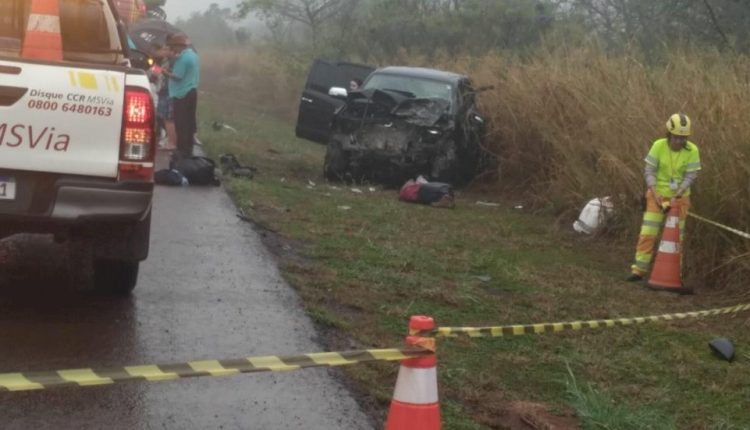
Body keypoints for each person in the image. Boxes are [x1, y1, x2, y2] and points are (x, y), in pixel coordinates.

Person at [627, 113, 702, 282]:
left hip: (680, 199)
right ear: (669, 134)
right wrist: (655, 193)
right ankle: (638, 270)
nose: (679, 141)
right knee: (648, 233)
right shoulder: (658, 146)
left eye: (683, 138)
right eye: (676, 137)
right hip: (657, 196)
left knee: (676, 239)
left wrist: (679, 192)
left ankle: (674, 274)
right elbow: (649, 171)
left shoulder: (693, 150)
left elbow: (691, 175)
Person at [162, 33, 200, 160]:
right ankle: (188, 150)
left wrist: (165, 72)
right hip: (192, 91)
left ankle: (182, 151)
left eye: (173, 46)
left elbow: (178, 76)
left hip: (181, 94)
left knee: (181, 123)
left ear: (179, 46)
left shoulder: (182, 58)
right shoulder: (194, 55)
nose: (173, 49)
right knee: (189, 122)